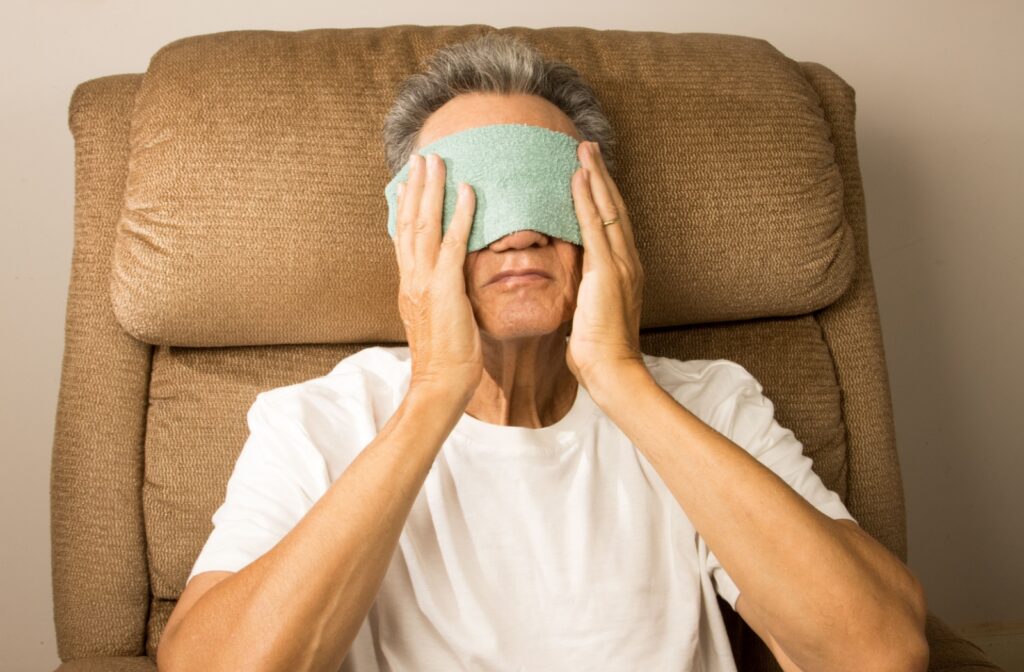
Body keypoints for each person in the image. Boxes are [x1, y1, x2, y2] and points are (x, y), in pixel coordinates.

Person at [156, 33, 928, 672]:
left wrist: (623, 380)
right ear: (410, 234)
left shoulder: (711, 404)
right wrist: (432, 392)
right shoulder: (316, 423)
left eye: (547, 189)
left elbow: (881, 652)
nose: (518, 232)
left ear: (603, 216)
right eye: (472, 200)